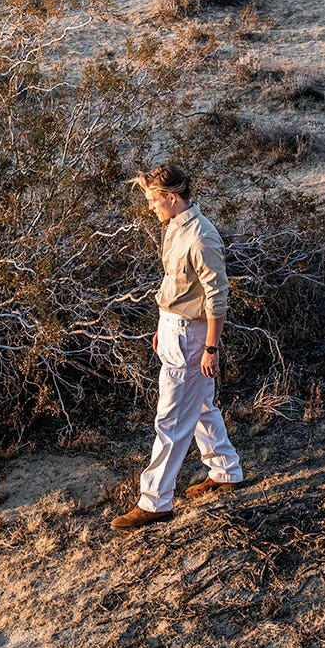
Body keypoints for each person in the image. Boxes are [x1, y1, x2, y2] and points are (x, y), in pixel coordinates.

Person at [112, 164, 246, 531]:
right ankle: (226, 471)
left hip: (192, 336)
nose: (150, 207)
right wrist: (161, 325)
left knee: (170, 419)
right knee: (201, 404)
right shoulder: (172, 227)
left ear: (171, 198)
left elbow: (218, 298)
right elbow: (174, 282)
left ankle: (155, 501)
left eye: (153, 200)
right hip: (174, 328)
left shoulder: (202, 237)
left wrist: (211, 349)